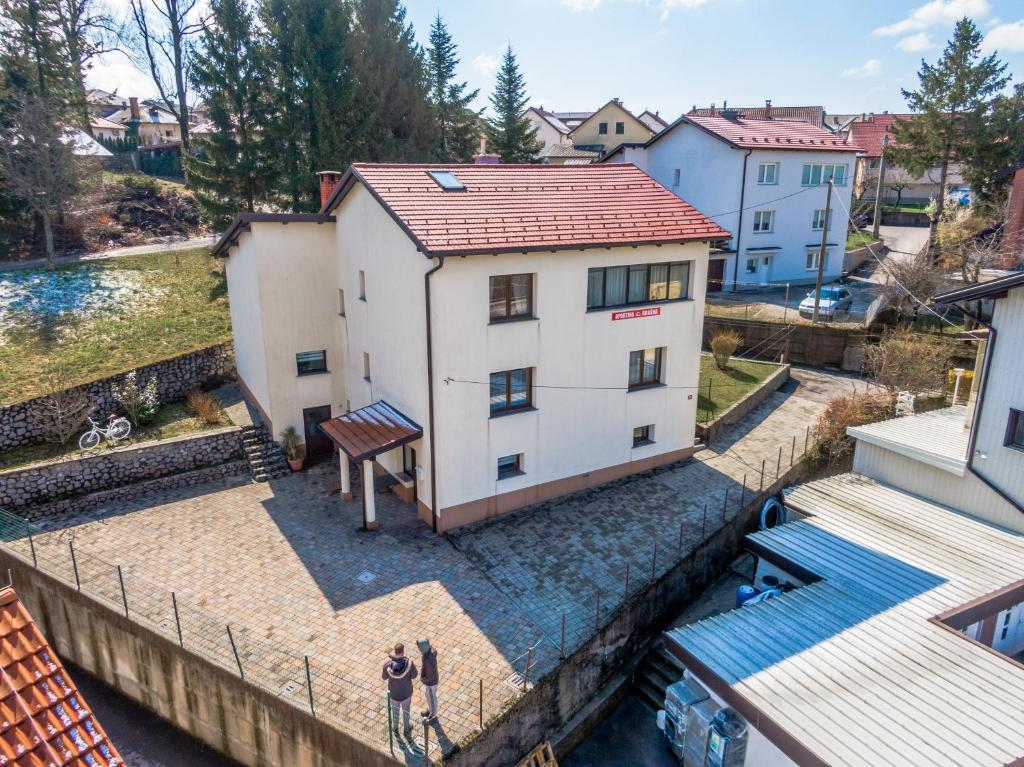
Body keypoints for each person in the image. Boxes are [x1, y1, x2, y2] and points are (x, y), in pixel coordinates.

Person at [382, 643, 417, 736]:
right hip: (406, 693)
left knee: (395, 711)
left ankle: (395, 728)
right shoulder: (409, 663)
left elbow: (384, 677)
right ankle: (406, 729)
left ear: (395, 651)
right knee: (406, 712)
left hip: (393, 694)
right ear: (403, 651)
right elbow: (415, 675)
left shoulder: (387, 664)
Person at [417, 638, 439, 721]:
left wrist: (423, 679)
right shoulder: (429, 654)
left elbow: (429, 675)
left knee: (432, 698)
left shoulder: (427, 660)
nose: (419, 649)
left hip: (431, 682)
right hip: (431, 680)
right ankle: (430, 710)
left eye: (419, 647)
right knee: (428, 695)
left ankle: (433, 715)